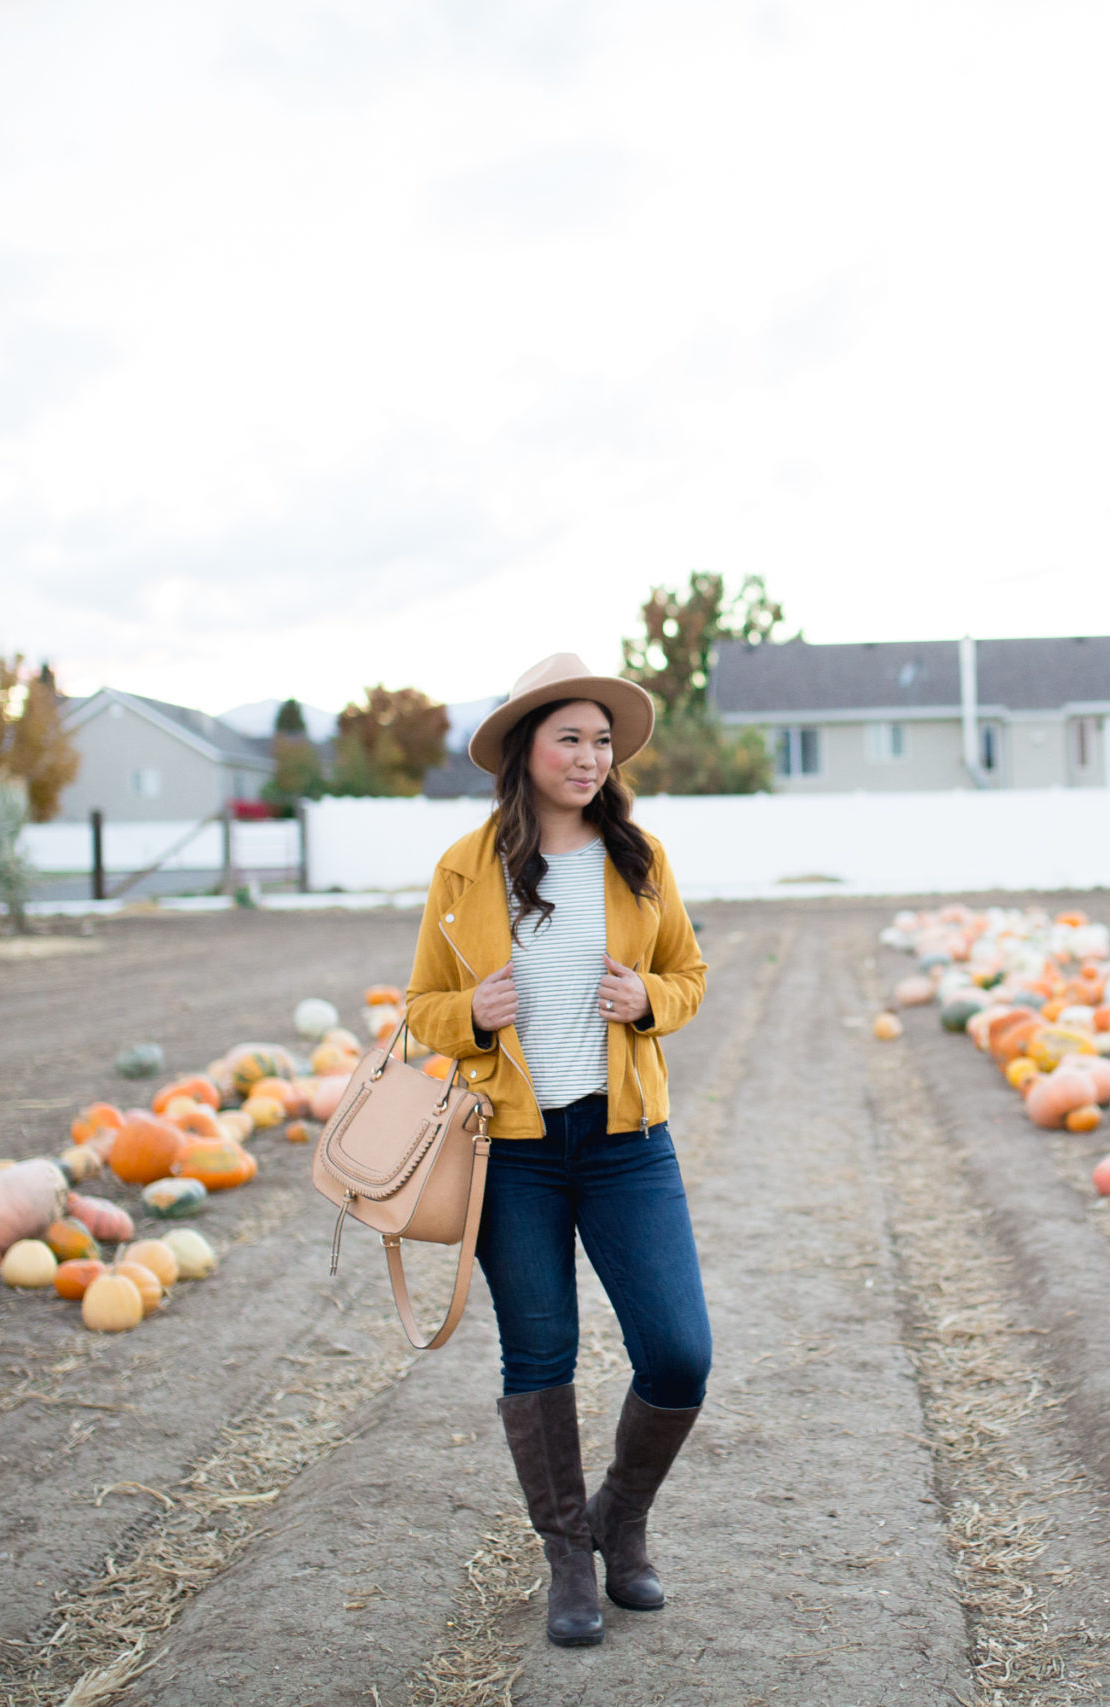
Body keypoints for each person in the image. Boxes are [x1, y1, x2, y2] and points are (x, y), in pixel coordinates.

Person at [401, 653, 711, 1648]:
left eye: (601, 740)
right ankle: (570, 1556)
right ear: (526, 751)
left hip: (627, 1142)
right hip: (515, 1154)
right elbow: (419, 1012)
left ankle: (622, 1517)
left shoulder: (640, 857)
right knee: (541, 1353)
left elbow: (689, 973)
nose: (589, 756)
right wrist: (473, 1016)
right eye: (569, 737)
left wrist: (649, 1000)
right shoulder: (464, 868)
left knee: (678, 1352)